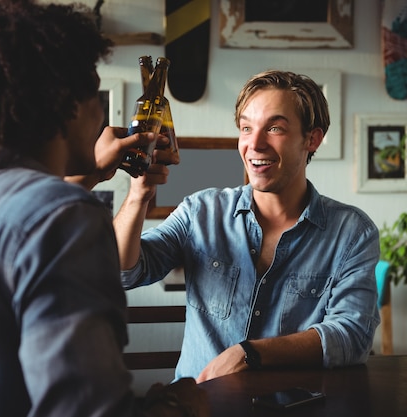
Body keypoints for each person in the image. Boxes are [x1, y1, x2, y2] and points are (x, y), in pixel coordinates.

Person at [0, 1, 208, 416]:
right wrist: (181, 410)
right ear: (68, 104)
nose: (102, 115)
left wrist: (94, 173)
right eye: (96, 96)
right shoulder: (65, 217)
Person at [114, 69, 381, 383]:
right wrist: (138, 195)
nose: (255, 144)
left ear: (312, 138)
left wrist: (250, 353)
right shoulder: (200, 212)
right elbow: (123, 272)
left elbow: (352, 336)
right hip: (198, 407)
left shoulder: (352, 233)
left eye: (275, 128)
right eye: (246, 128)